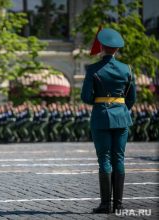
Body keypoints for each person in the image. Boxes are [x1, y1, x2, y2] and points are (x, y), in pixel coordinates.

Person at [81, 28, 136, 213]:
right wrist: (120, 110)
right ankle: (119, 205)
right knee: (119, 158)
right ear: (117, 49)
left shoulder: (93, 69)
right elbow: (131, 98)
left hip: (101, 118)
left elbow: (86, 97)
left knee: (104, 159)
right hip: (121, 117)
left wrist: (101, 101)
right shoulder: (127, 69)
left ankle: (105, 205)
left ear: (102, 47)